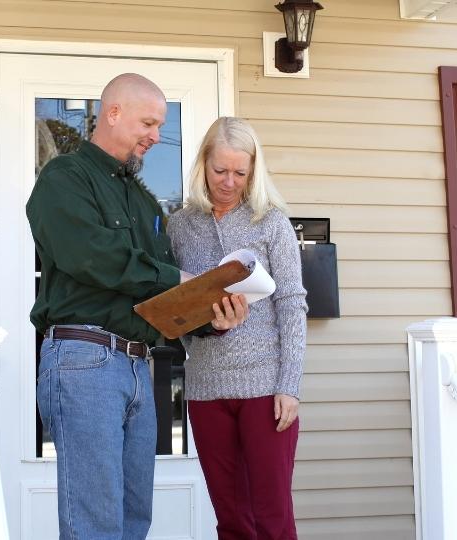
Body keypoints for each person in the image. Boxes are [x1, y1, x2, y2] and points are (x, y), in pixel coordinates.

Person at [25, 74, 247, 540]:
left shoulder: (143, 199)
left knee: (132, 519)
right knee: (95, 523)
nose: (155, 135)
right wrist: (177, 279)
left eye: (160, 124)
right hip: (85, 360)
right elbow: (92, 255)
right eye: (148, 122)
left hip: (138, 366)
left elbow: (164, 293)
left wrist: (213, 316)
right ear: (113, 113)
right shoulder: (64, 179)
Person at [167, 117, 308, 540]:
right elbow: (178, 310)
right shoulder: (180, 225)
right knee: (231, 520)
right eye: (219, 170)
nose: (229, 181)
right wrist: (201, 323)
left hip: (266, 388)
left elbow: (291, 303)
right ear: (202, 165)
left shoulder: (272, 223)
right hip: (207, 388)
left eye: (240, 173)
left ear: (253, 171)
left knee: (273, 518)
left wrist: (290, 385)